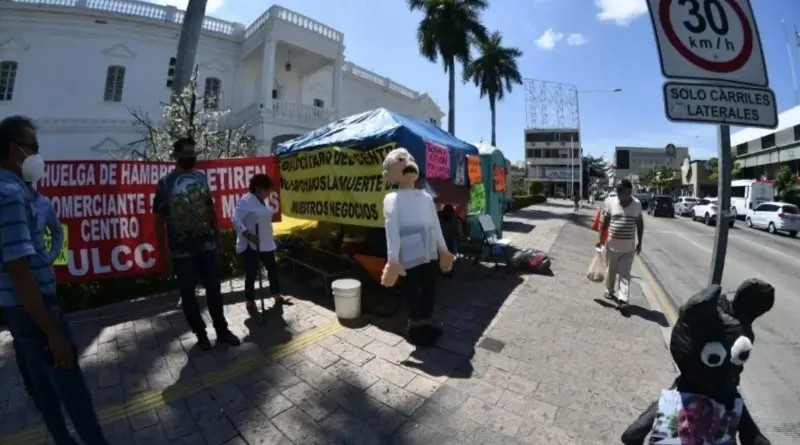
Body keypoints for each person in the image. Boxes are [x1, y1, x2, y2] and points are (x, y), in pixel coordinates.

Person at [0, 115, 109, 444]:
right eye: (32, 148)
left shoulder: (17, 192)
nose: (36, 155)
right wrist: (52, 332)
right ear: (12, 150)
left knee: (41, 388)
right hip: (34, 312)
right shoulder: (11, 194)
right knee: (72, 392)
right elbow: (18, 270)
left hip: (19, 311)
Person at [153, 137, 240, 351]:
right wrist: (163, 250)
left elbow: (210, 208)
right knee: (188, 294)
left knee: (214, 290)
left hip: (207, 246)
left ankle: (222, 330)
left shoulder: (201, 178)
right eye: (186, 154)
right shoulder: (165, 183)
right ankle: (200, 333)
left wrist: (217, 236)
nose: (191, 157)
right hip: (182, 252)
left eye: (194, 153)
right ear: (176, 156)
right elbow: (158, 220)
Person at [232, 173, 289, 311]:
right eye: (266, 190)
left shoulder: (262, 201)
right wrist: (247, 234)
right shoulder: (246, 201)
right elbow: (235, 219)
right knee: (251, 273)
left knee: (272, 270)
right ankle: (250, 300)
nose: (268, 193)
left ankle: (276, 295)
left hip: (266, 243)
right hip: (252, 244)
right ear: (257, 188)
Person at [598, 179, 643, 309]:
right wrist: (600, 238)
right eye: (617, 189)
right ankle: (609, 290)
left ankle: (623, 298)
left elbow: (640, 224)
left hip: (628, 247)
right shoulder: (611, 202)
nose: (618, 192)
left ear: (629, 191)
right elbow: (605, 221)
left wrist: (640, 242)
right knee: (611, 269)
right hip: (612, 245)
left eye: (621, 190)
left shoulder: (637, 204)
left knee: (625, 273)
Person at [28, 182, 64, 265]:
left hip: (42, 271)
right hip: (13, 272)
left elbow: (58, 231)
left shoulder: (43, 203)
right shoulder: (8, 204)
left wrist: (52, 255)